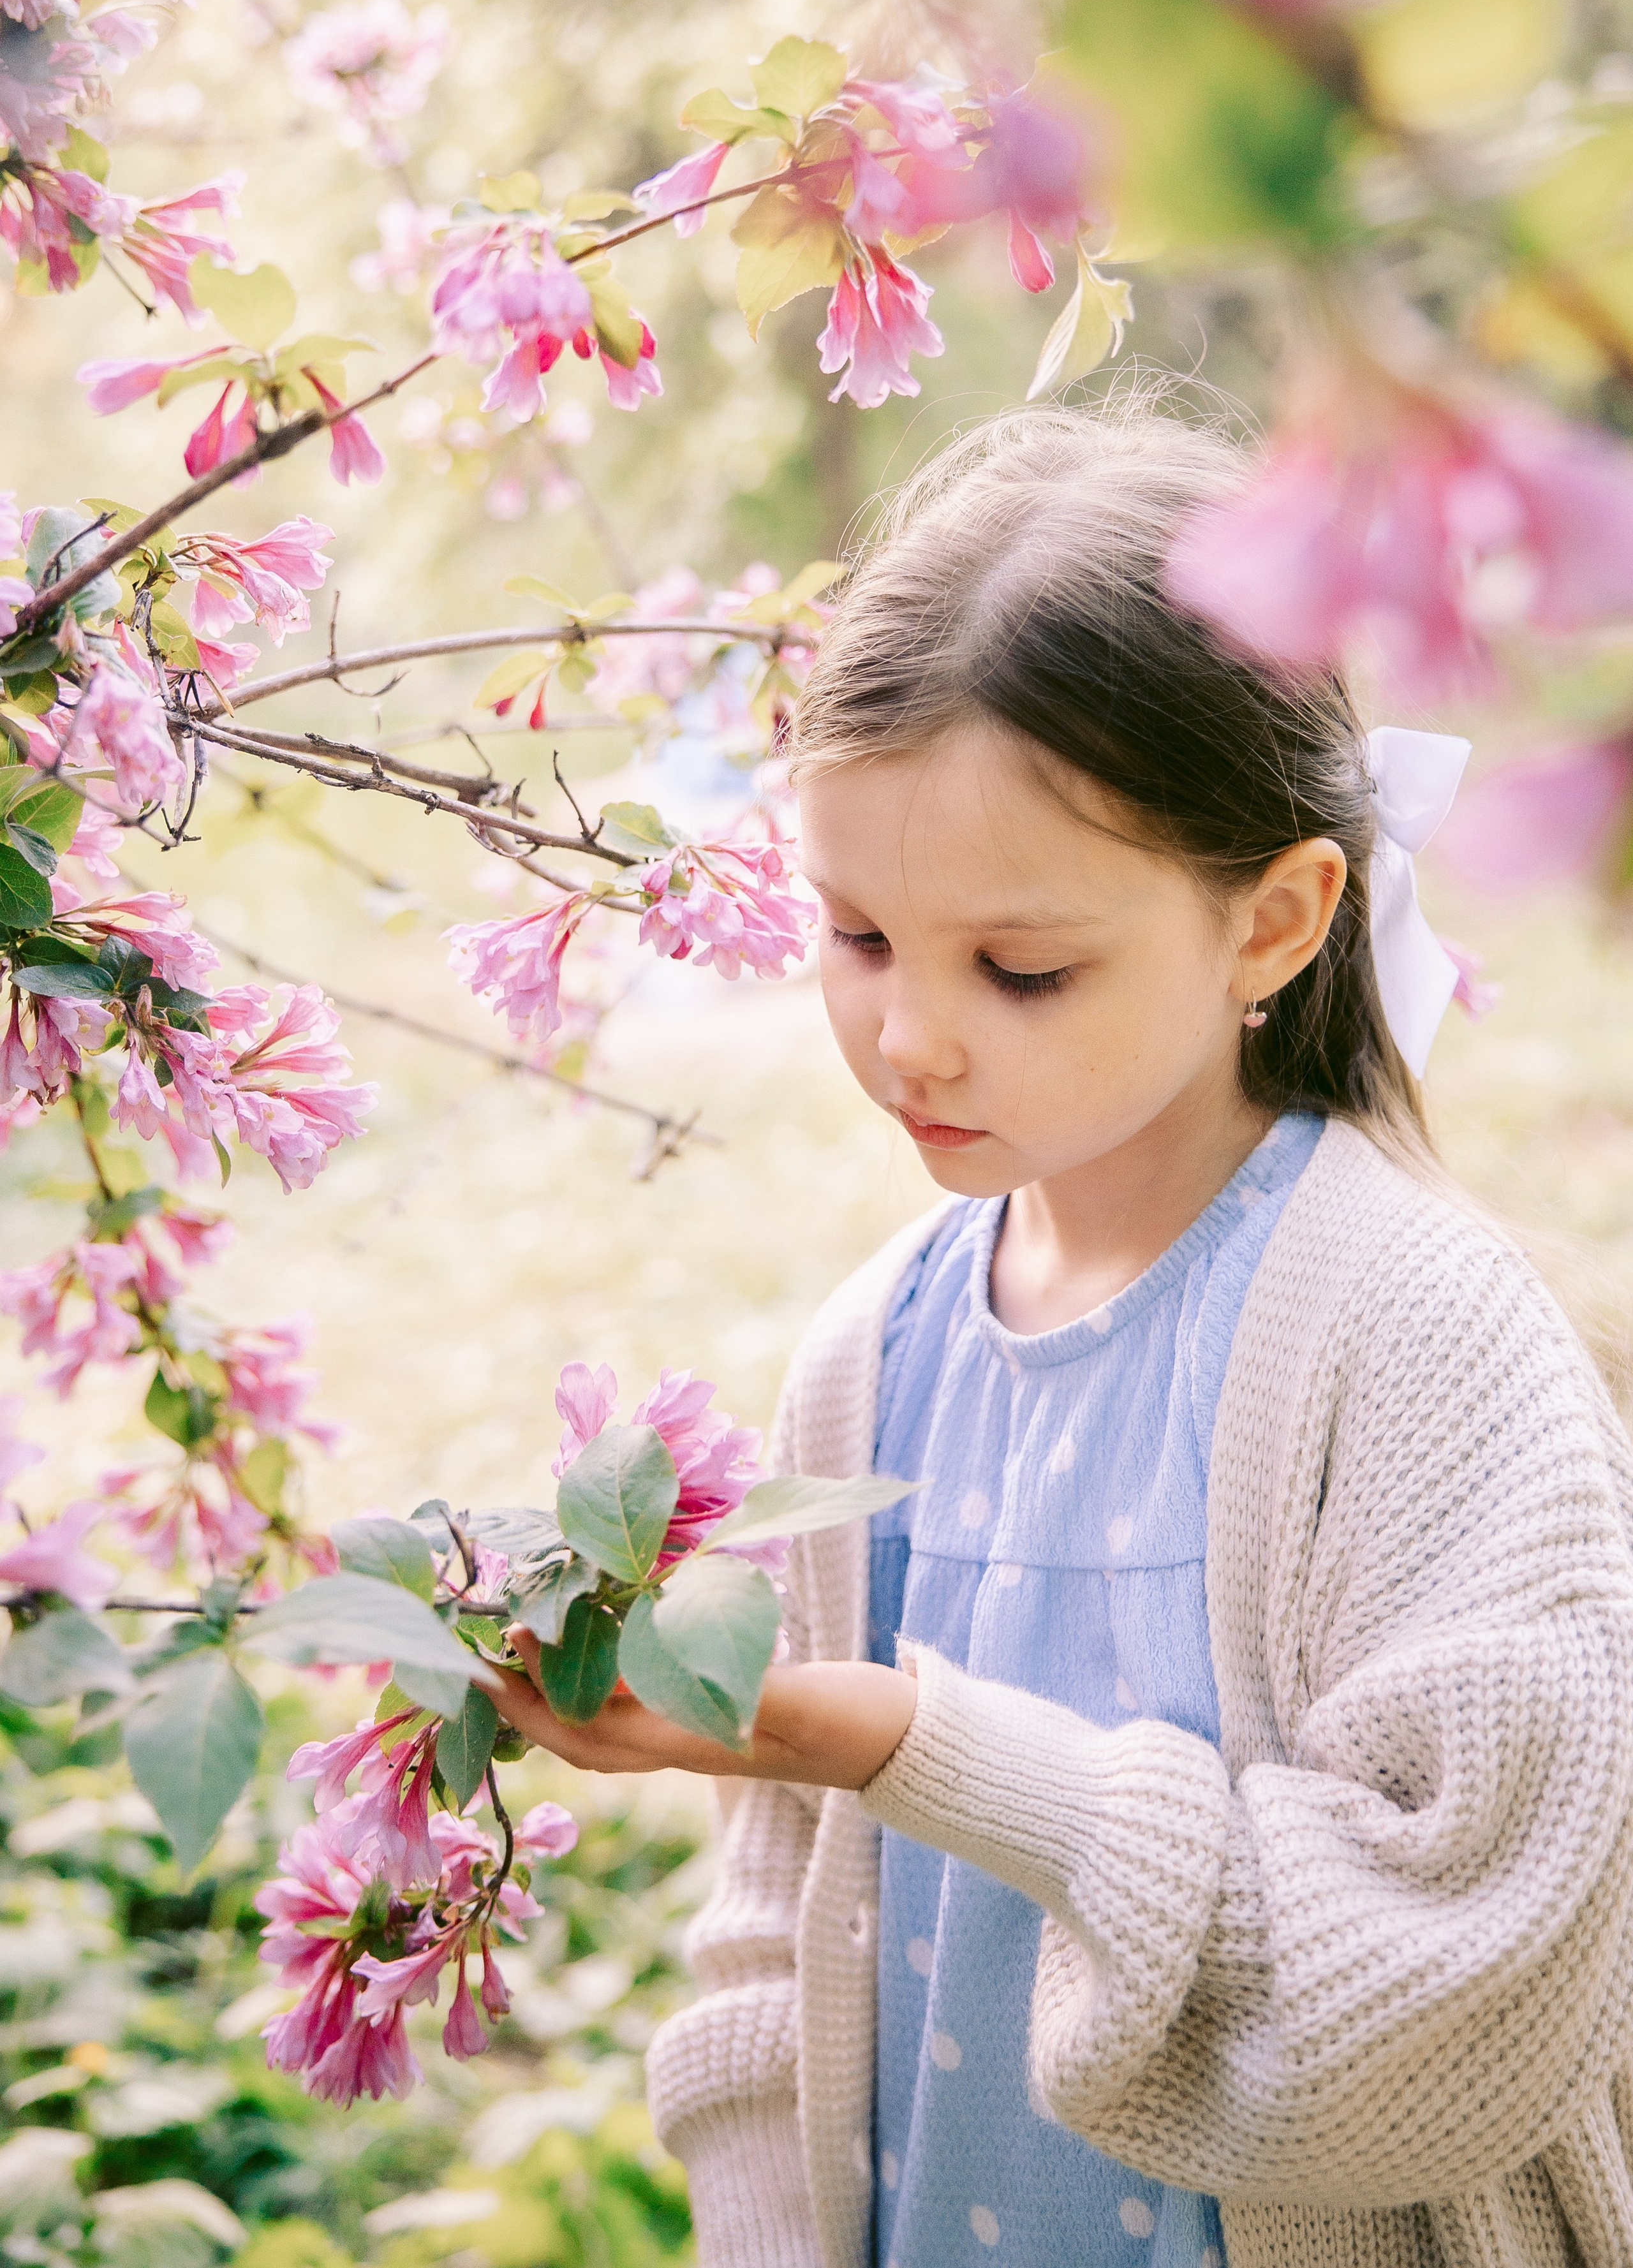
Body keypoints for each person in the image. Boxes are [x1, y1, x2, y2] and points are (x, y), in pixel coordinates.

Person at [484, 402, 1633, 2268]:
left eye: (1019, 968)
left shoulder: (1422, 1346)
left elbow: (1457, 1997)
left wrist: (891, 1735)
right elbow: (780, 1946)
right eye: (857, 935)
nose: (911, 1040)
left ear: (1274, 920)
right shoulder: (876, 1356)